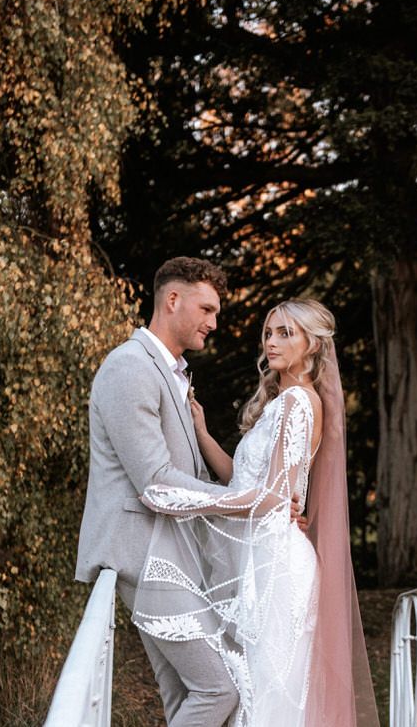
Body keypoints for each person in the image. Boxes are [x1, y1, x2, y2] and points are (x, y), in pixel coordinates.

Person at [132, 299, 380, 727]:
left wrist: (190, 503)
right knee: (253, 691)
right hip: (261, 556)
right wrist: (203, 435)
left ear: (312, 345)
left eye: (286, 333)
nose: (272, 342)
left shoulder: (300, 403)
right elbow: (245, 484)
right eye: (269, 332)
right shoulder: (282, 402)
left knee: (268, 697)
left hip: (277, 568)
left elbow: (272, 499)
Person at [74, 256, 241, 726]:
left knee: (185, 697)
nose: (213, 323)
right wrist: (245, 504)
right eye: (207, 309)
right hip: (143, 555)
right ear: (172, 300)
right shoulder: (129, 367)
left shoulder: (173, 371)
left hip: (172, 554)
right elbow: (157, 481)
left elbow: (190, 474)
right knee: (219, 688)